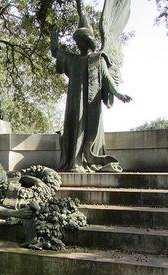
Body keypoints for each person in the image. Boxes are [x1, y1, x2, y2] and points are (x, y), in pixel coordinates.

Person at [50, 0, 132, 173]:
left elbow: (108, 79)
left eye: (79, 40)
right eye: (76, 40)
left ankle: (87, 160)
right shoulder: (72, 60)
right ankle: (74, 161)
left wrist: (118, 94)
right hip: (74, 103)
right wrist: (53, 35)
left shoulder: (98, 59)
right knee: (74, 128)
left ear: (86, 41)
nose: (77, 43)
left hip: (91, 104)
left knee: (89, 131)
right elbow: (55, 52)